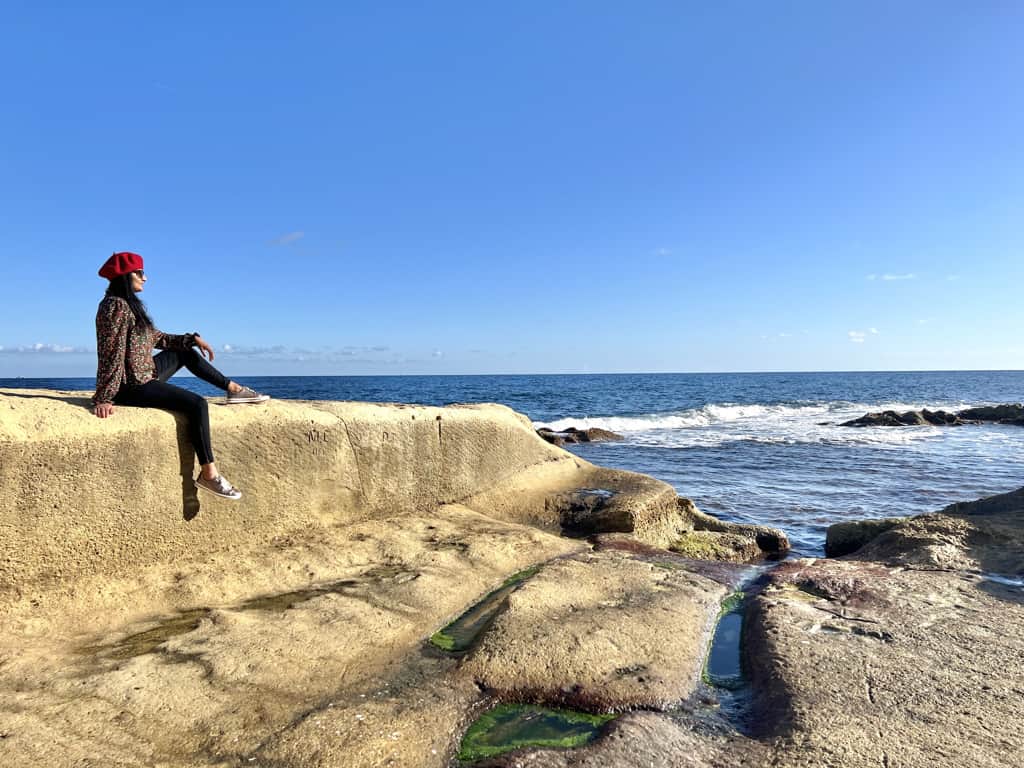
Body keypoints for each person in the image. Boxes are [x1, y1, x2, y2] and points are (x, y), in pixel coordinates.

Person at [91, 251, 269, 500]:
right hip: (130, 386)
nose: (145, 278)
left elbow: (158, 338)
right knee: (196, 404)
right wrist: (105, 397)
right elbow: (112, 352)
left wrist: (191, 339)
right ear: (125, 275)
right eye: (140, 273)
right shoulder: (115, 306)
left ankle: (234, 390)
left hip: (143, 374)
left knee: (185, 352)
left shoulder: (131, 306)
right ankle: (209, 475)